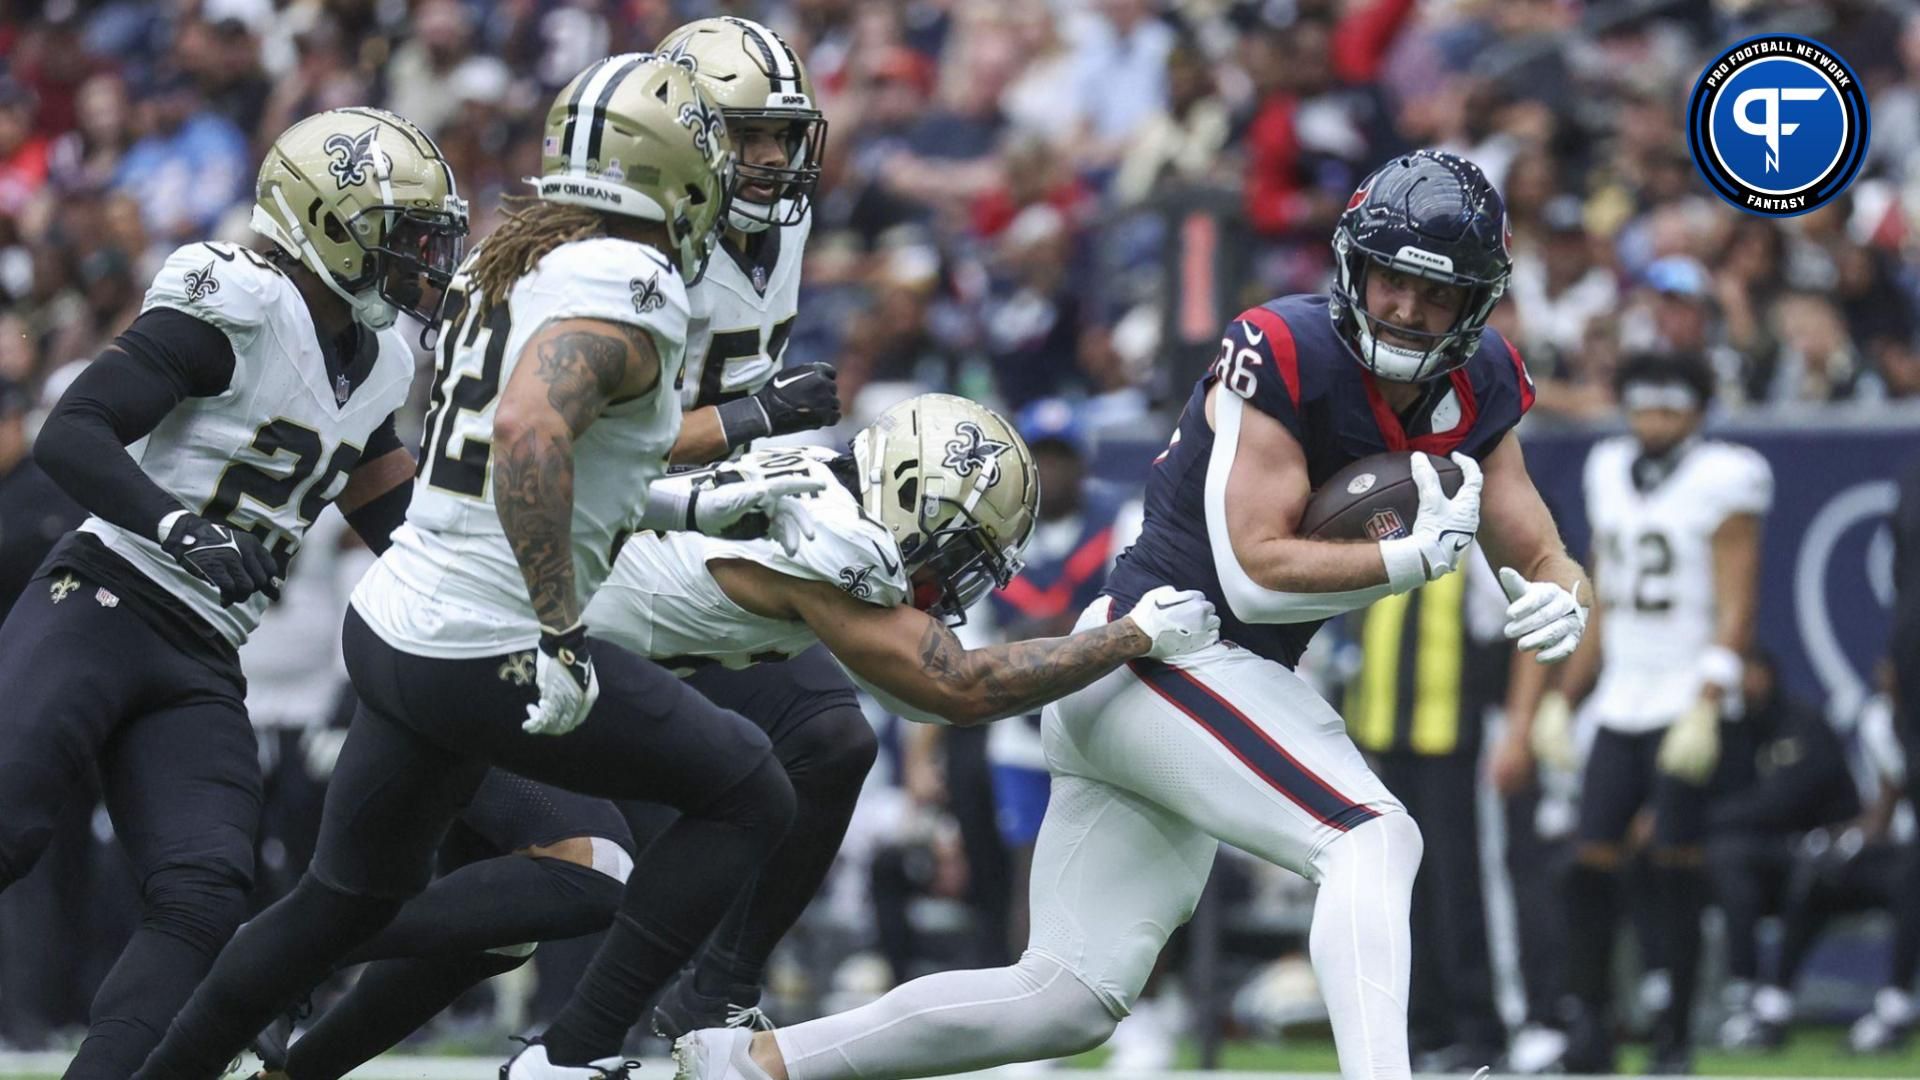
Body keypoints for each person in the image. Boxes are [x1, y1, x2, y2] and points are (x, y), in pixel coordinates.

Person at [673, 149, 1592, 1080]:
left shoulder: (1483, 383)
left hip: (1199, 682)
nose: (1404, 309)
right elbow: (1254, 573)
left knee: (1063, 997)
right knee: (1369, 833)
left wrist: (1566, 597)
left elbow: (1541, 550)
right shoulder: (1285, 347)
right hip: (1168, 646)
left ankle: (745, 1063)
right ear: (1357, 265)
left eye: (1435, 295)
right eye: (1393, 278)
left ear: (1476, 304)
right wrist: (1402, 558)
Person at [127, 58, 814, 1080]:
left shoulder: (526, 255)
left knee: (343, 901)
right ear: (678, 165)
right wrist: (561, 629)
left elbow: (560, 456)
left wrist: (700, 500)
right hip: (485, 639)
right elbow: (533, 434)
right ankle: (570, 1058)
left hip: (400, 618)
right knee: (751, 788)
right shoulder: (635, 277)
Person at [216, 394, 1220, 1080]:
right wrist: (1129, 637)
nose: (955, 584)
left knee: (806, 751)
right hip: (482, 640)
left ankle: (702, 1003)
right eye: (956, 552)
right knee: (604, 861)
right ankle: (559, 1050)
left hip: (542, 640)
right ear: (905, 503)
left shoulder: (827, 483)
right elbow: (951, 686)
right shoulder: (840, 547)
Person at [0, 106, 468, 1080]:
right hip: (103, 599)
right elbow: (73, 432)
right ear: (326, 223)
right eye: (400, 236)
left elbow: (395, 516)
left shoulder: (381, 358)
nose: (420, 259)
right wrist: (177, 524)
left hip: (204, 652)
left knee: (207, 897)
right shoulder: (239, 297)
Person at [1529, 351, 1772, 1073]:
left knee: (1674, 866)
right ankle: (1592, 1027)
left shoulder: (1725, 477)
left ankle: (1672, 1037)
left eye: (1667, 408)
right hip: (1623, 697)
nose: (1652, 422)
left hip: (1683, 696)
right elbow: (1602, 595)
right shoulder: (1608, 468)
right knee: (1588, 864)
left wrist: (1709, 697)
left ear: (1696, 410)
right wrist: (1564, 697)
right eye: (1642, 407)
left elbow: (1739, 603)